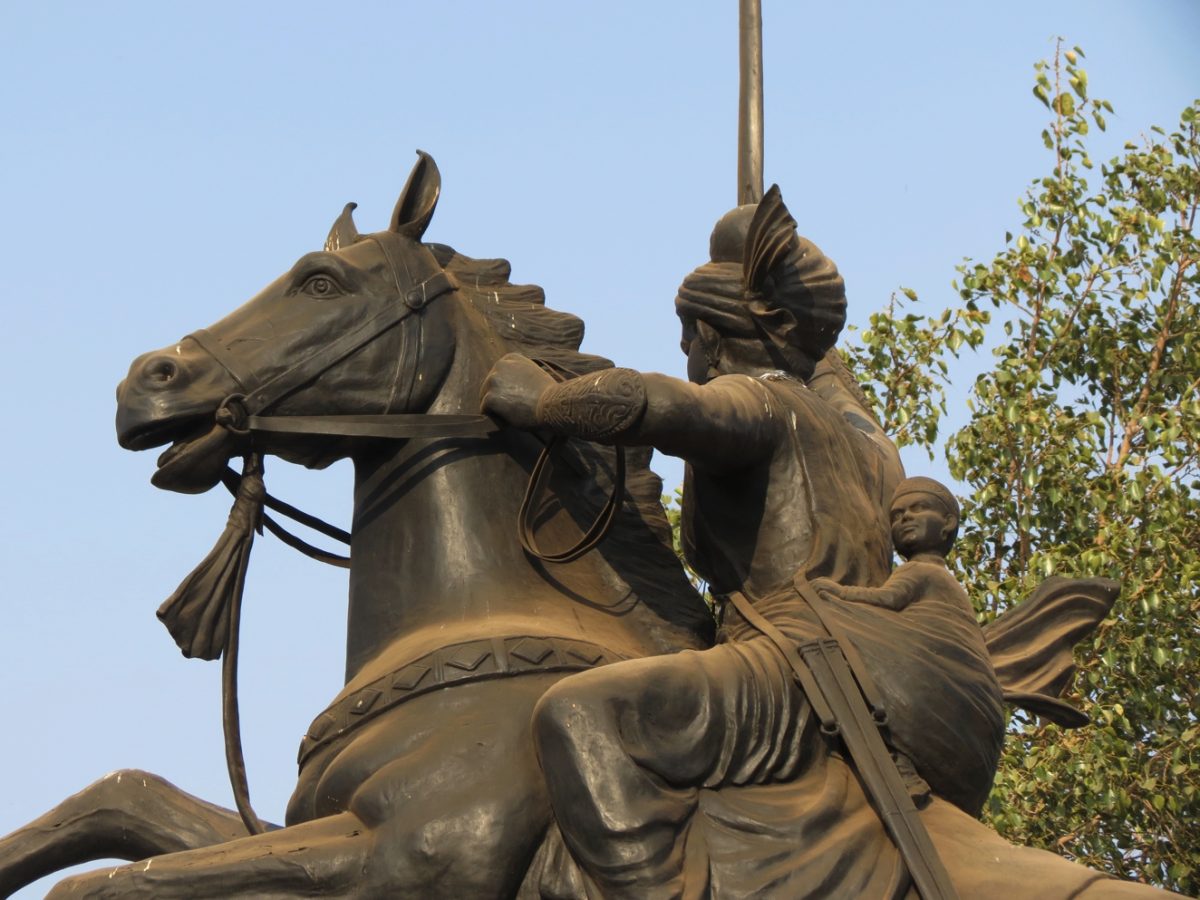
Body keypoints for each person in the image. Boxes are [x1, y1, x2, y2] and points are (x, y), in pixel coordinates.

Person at [481, 188, 999, 897]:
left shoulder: (755, 402)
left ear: (716, 337)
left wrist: (538, 401)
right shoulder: (862, 439)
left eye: (690, 332)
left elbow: (651, 404)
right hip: (844, 662)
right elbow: (831, 375)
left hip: (792, 665)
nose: (685, 349)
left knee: (583, 716)